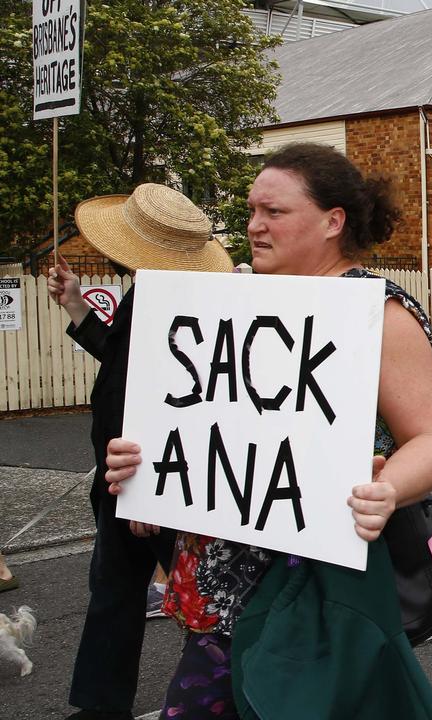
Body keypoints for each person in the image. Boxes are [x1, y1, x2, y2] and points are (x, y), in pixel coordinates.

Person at [102, 143, 432, 718]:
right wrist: (149, 472)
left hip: (309, 590)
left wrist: (387, 490)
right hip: (218, 585)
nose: (253, 227)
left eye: (274, 212)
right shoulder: (234, 304)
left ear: (332, 221)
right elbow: (216, 430)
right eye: (250, 211)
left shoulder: (379, 314)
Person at [47, 183, 232, 720]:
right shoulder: (147, 290)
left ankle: (230, 698)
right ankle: (102, 705)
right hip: (124, 476)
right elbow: (121, 363)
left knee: (206, 602)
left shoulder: (178, 305)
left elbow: (187, 401)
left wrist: (153, 490)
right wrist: (79, 308)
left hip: (153, 478)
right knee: (115, 593)